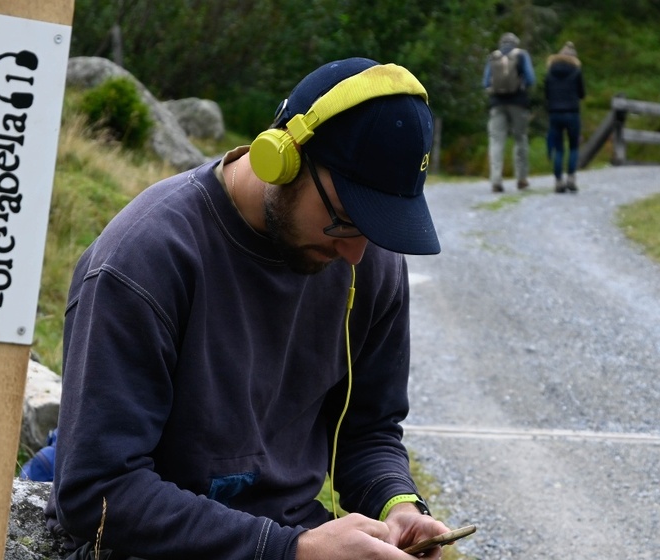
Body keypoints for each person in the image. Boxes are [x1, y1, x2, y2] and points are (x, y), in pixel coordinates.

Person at [45, 57, 452, 560]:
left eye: (376, 227)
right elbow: (96, 492)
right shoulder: (143, 260)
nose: (355, 253)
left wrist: (398, 502)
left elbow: (368, 432)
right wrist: (290, 549)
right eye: (346, 218)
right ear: (282, 157)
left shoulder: (369, 259)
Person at [483, 31, 536, 192]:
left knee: (496, 141)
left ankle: (496, 180)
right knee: (520, 139)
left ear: (501, 43)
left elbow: (485, 82)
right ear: (515, 43)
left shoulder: (494, 56)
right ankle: (521, 179)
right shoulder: (521, 55)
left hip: (497, 104)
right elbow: (530, 78)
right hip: (518, 103)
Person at [543, 41, 585, 193]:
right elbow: (582, 94)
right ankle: (571, 178)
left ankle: (558, 181)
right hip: (572, 112)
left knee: (559, 149)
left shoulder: (550, 72)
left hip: (555, 113)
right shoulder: (576, 71)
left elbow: (546, 94)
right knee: (573, 146)